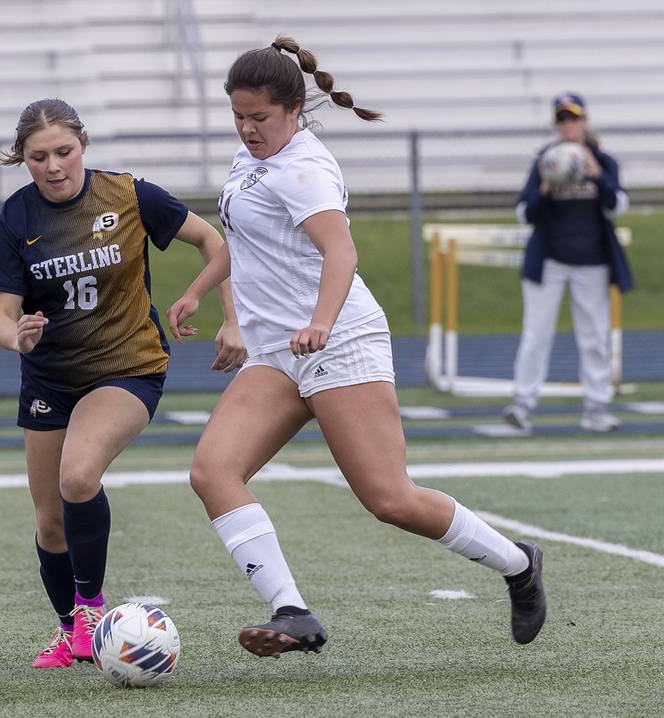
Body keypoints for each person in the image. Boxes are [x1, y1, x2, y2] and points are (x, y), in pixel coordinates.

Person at [166, 36, 547, 658]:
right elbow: (245, 236)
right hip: (280, 351)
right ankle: (292, 612)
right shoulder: (251, 159)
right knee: (212, 472)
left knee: (390, 500)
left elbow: (341, 252)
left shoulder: (304, 168)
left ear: (293, 109)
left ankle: (517, 563)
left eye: (258, 118)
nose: (247, 128)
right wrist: (199, 290)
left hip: (339, 341)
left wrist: (320, 321)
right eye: (237, 116)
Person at [0, 98, 245, 669]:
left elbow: (217, 241)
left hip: (128, 367)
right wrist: (16, 338)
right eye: (38, 157)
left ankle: (93, 609)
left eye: (63, 152)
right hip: (50, 375)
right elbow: (1, 317)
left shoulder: (129, 195)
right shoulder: (16, 218)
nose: (53, 166)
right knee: (50, 523)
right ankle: (71, 630)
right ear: (22, 160)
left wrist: (229, 316)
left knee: (79, 476)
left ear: (84, 145)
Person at [503, 92, 633, 433]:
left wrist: (596, 174)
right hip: (549, 262)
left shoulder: (603, 160)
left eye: (573, 118)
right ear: (555, 124)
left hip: (592, 262)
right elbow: (523, 213)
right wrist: (545, 188)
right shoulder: (544, 159)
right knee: (536, 335)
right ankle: (522, 405)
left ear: (584, 121)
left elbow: (617, 205)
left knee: (594, 338)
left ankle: (596, 408)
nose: (568, 124)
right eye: (562, 119)